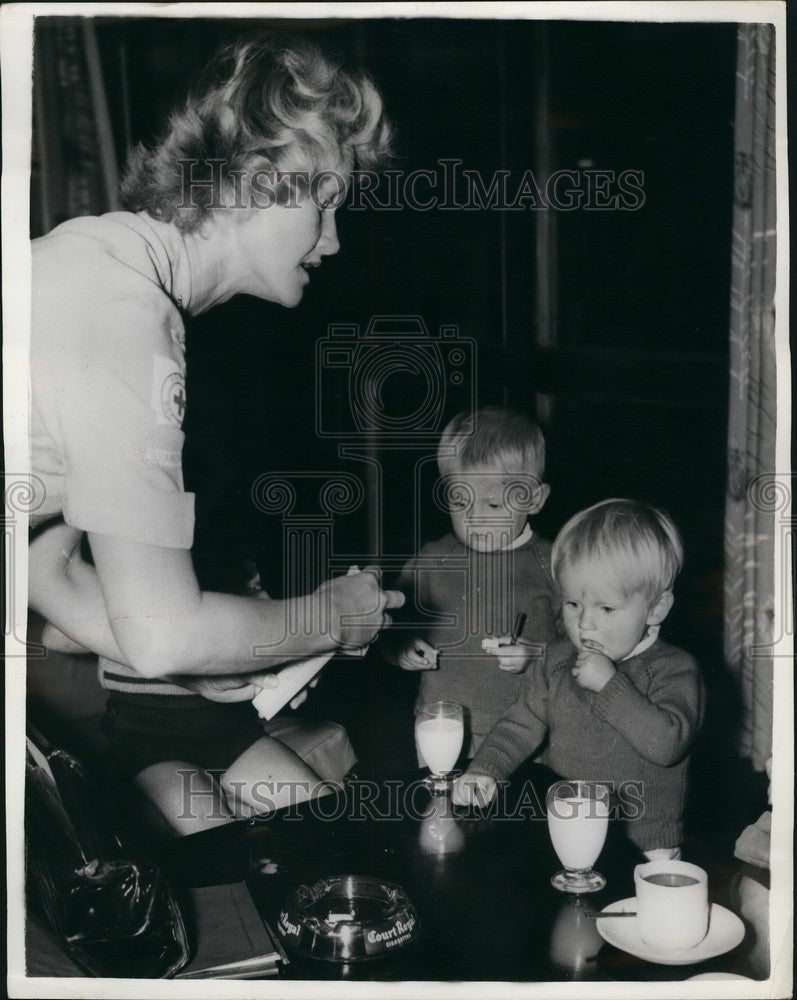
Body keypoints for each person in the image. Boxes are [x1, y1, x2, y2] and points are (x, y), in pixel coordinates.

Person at [26, 32, 403, 827]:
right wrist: (330, 616)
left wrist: (218, 653)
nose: (333, 240)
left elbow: (46, 572)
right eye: (325, 202)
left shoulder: (91, 265)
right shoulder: (123, 312)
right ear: (258, 183)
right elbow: (164, 634)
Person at [453, 498, 705, 860]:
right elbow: (519, 724)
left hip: (643, 846)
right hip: (566, 826)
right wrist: (486, 769)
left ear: (656, 609)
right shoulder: (555, 660)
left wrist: (610, 686)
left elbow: (667, 745)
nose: (585, 624)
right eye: (573, 604)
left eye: (605, 608)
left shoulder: (674, 669)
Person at [380, 407, 560, 759]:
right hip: (442, 730)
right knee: (443, 810)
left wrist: (536, 653)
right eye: (459, 501)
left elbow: (584, 651)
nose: (475, 518)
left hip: (529, 737)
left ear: (534, 499)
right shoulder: (432, 560)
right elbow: (388, 627)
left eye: (493, 503)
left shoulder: (555, 564)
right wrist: (398, 648)